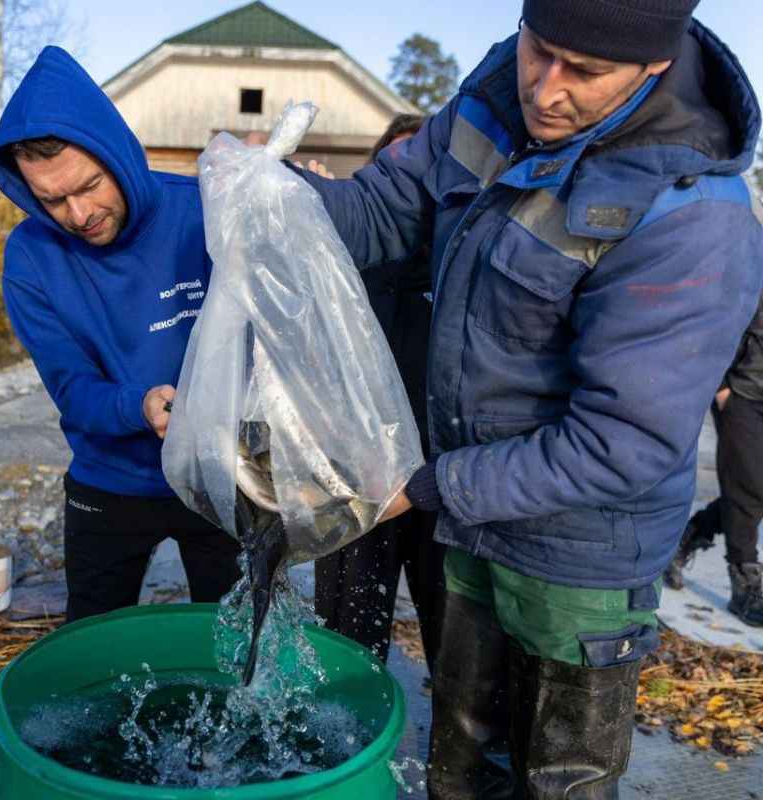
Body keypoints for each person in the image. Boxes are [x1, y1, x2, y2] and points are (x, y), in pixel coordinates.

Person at [297, 1, 763, 797]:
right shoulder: (491, 102)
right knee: (463, 757)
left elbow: (623, 442)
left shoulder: (692, 217)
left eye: (584, 72)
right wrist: (261, 199)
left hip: (578, 555)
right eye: (538, 50)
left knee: (558, 777)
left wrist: (430, 486)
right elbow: (377, 213)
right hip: (476, 527)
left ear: (654, 64)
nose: (546, 91)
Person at [0, 46, 242, 623]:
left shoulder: (204, 211)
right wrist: (139, 405)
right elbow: (70, 384)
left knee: (237, 645)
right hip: (109, 482)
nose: (78, 214)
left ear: (117, 154)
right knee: (91, 645)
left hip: (221, 475)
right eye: (51, 200)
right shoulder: (30, 257)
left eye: (90, 185)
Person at [313, 113, 447, 673]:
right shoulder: (342, 258)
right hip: (359, 475)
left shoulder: (459, 258)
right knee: (348, 636)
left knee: (458, 640)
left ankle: (460, 756)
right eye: (390, 166)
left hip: (447, 480)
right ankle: (345, 744)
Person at [664, 288, 763, 626]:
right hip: (744, 394)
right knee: (750, 486)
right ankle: (745, 579)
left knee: (751, 486)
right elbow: (720, 316)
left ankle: (690, 535)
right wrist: (721, 386)